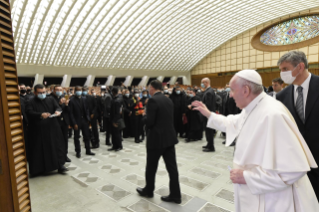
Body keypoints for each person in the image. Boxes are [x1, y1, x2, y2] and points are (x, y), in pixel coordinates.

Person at [192, 69, 318, 211]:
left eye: (232, 90)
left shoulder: (272, 114)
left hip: (273, 200)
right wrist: (209, 114)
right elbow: (233, 122)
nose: (231, 94)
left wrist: (247, 177)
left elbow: (293, 171)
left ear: (246, 90)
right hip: (258, 196)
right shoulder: (254, 107)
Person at [276, 51, 319, 201]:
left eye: (285, 69)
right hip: (296, 163)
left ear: (300, 67)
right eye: (281, 70)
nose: (282, 74)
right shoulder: (282, 96)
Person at [136, 80, 181, 204]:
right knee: (172, 169)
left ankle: (149, 190)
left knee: (151, 167)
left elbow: (150, 122)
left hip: (156, 140)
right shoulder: (168, 100)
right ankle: (176, 195)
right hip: (169, 138)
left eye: (149, 88)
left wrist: (144, 115)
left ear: (152, 88)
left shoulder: (153, 101)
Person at [26, 84, 68, 176]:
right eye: (40, 93)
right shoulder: (30, 101)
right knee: (38, 149)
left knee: (57, 146)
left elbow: (58, 107)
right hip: (38, 130)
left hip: (53, 127)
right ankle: (38, 170)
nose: (42, 94)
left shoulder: (51, 99)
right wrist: (40, 114)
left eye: (44, 92)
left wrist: (58, 111)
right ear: (35, 93)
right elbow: (29, 112)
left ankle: (60, 166)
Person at [69, 86, 95, 158]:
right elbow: (70, 113)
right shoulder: (72, 100)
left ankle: (88, 150)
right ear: (75, 91)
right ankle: (78, 151)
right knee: (76, 137)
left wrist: (88, 119)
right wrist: (74, 123)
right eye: (77, 90)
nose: (79, 91)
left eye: (80, 90)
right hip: (77, 121)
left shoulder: (84, 99)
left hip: (84, 120)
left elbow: (87, 109)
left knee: (87, 136)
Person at [51, 85, 71, 162]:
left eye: (60, 89)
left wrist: (66, 104)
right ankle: (57, 156)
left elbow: (68, 110)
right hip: (56, 121)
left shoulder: (65, 96)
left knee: (65, 139)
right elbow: (53, 109)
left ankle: (65, 155)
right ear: (54, 90)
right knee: (57, 140)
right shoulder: (51, 98)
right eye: (57, 89)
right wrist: (59, 104)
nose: (59, 91)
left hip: (64, 121)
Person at [201, 78, 216, 152]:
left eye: (202, 82)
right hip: (208, 114)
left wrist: (201, 106)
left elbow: (208, 105)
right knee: (207, 130)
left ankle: (211, 147)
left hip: (208, 114)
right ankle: (209, 144)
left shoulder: (209, 92)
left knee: (209, 131)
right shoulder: (208, 91)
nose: (201, 84)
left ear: (206, 82)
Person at [108, 87, 123, 151]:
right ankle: (114, 146)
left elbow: (117, 112)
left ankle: (119, 146)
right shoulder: (114, 99)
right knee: (113, 134)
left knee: (117, 134)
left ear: (113, 92)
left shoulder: (117, 101)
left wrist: (114, 121)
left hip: (115, 120)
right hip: (112, 119)